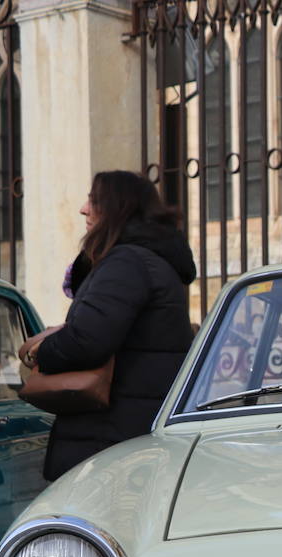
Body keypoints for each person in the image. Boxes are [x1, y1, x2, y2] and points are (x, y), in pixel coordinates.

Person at [22, 170, 196, 480]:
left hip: (106, 443)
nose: (83, 209)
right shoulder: (151, 262)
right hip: (127, 433)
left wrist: (40, 351)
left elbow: (86, 341)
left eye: (93, 200)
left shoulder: (127, 262)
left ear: (118, 207)